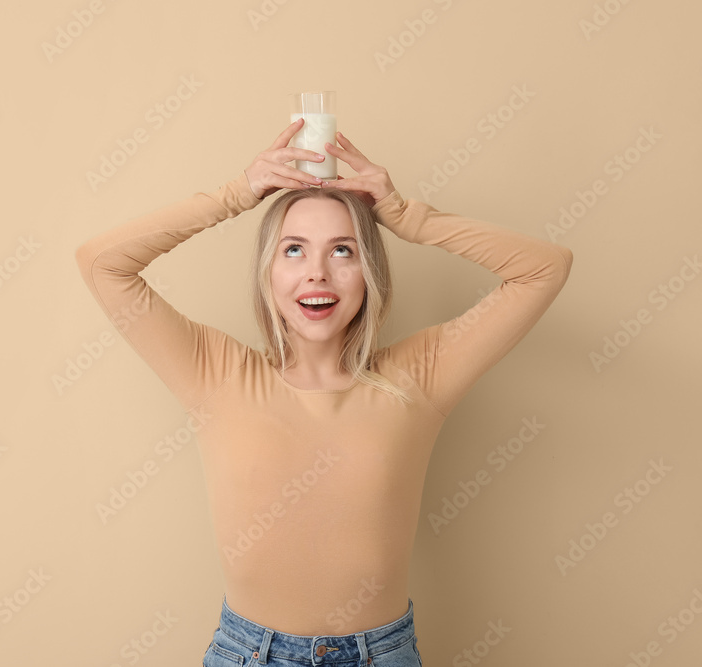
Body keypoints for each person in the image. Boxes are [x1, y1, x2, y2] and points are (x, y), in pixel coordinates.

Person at [75, 118, 573, 667]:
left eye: (343, 251)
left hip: (380, 655)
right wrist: (237, 194)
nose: (317, 273)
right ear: (267, 272)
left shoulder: (419, 376)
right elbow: (103, 263)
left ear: (370, 271)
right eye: (293, 250)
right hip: (248, 654)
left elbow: (544, 270)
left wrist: (406, 217)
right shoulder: (215, 374)